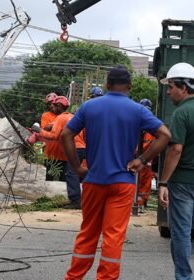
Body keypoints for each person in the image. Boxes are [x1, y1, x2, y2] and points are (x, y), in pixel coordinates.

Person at [61, 65, 171, 279]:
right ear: (129, 86)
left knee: (88, 232)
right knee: (113, 236)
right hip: (123, 182)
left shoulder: (88, 107)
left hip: (93, 180)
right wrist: (142, 160)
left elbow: (66, 134)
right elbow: (164, 135)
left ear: (106, 85)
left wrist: (76, 167)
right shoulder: (138, 110)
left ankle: (73, 277)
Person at [158, 62, 194, 280]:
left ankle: (184, 277)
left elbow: (175, 150)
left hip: (182, 182)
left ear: (184, 86)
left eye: (171, 86)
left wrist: (163, 182)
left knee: (181, 232)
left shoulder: (181, 113)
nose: (168, 91)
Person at [32, 96, 86, 208]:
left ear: (59, 106)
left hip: (73, 148)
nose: (52, 107)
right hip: (82, 148)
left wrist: (39, 131)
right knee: (78, 172)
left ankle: (76, 201)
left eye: (54, 105)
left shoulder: (60, 118)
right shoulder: (72, 117)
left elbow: (54, 136)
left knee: (72, 174)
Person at [137, 98, 156, 211]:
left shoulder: (148, 126)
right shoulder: (150, 124)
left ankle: (141, 202)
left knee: (144, 181)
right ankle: (140, 202)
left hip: (144, 158)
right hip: (145, 158)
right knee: (142, 181)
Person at [40, 92, 58, 181]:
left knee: (64, 179)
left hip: (63, 152)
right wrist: (56, 123)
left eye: (53, 103)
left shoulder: (65, 114)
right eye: (49, 104)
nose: (51, 106)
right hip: (50, 151)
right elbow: (44, 129)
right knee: (49, 177)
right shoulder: (45, 115)